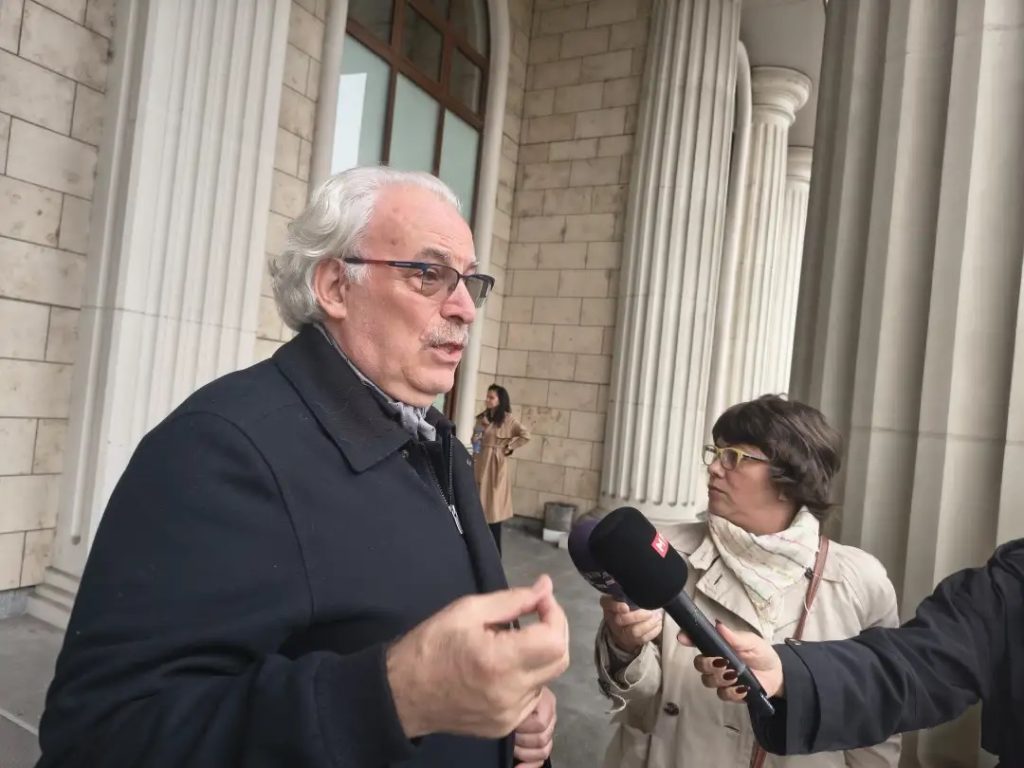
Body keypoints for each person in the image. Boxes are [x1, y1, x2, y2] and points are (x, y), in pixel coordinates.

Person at [36, 168, 568, 768]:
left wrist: (509, 715)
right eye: (429, 274)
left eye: (472, 281)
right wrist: (394, 698)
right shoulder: (221, 449)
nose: (466, 307)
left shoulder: (437, 437)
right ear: (336, 286)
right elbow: (101, 738)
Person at [593, 395, 901, 768]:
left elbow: (877, 715)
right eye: (716, 453)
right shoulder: (663, 552)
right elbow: (637, 700)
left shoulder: (861, 583)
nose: (714, 468)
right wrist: (626, 646)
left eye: (735, 457)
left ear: (791, 480)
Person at [688, 538, 1024, 767]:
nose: (716, 469)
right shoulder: (1012, 581)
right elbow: (921, 664)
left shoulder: (859, 574)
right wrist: (788, 673)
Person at [473, 383, 531, 552]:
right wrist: (477, 440)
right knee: (478, 504)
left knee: (494, 507)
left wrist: (509, 447)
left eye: (491, 397)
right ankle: (480, 549)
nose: (487, 400)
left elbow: (525, 435)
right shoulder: (482, 418)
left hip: (495, 465)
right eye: (487, 396)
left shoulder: (508, 420)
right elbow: (475, 442)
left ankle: (495, 552)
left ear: (500, 400)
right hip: (480, 462)